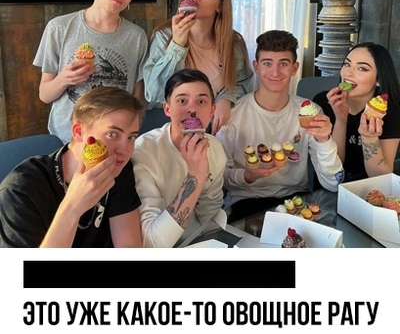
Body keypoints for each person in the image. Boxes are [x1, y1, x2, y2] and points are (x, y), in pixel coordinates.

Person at [216, 30, 344, 223]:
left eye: (283, 64)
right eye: (267, 63)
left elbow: (333, 183)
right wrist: (248, 176)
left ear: (294, 68)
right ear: (256, 66)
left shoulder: (310, 112)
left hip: (295, 200)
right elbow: (221, 177)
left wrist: (325, 141)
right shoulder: (232, 115)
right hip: (245, 204)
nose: (275, 72)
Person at [0, 86, 145, 248]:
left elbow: (129, 248)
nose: (124, 150)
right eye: (112, 134)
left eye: (131, 137)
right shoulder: (21, 190)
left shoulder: (118, 169)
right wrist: (72, 207)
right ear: (78, 132)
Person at [33, 0, 150, 143]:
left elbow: (138, 97)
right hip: (68, 138)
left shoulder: (136, 36)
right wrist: (64, 78)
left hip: (116, 139)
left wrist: (129, 135)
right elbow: (44, 95)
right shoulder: (60, 27)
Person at [143, 0, 254, 133]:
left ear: (220, 5)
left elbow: (242, 83)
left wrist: (226, 99)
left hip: (212, 128)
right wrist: (177, 45)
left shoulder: (233, 44)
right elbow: (155, 93)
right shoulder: (163, 36)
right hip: (168, 128)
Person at [132, 68, 227, 247]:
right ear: (167, 109)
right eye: (182, 101)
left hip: (198, 242)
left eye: (201, 101)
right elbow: (152, 243)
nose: (192, 110)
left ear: (212, 111)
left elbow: (211, 212)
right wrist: (195, 176)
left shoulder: (215, 148)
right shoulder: (143, 153)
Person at [313, 42, 400, 182]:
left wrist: (369, 138)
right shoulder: (324, 102)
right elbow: (334, 171)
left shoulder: (390, 112)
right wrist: (341, 121)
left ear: (378, 79)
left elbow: (381, 178)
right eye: (347, 64)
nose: (348, 73)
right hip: (328, 187)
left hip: (367, 188)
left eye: (362, 68)